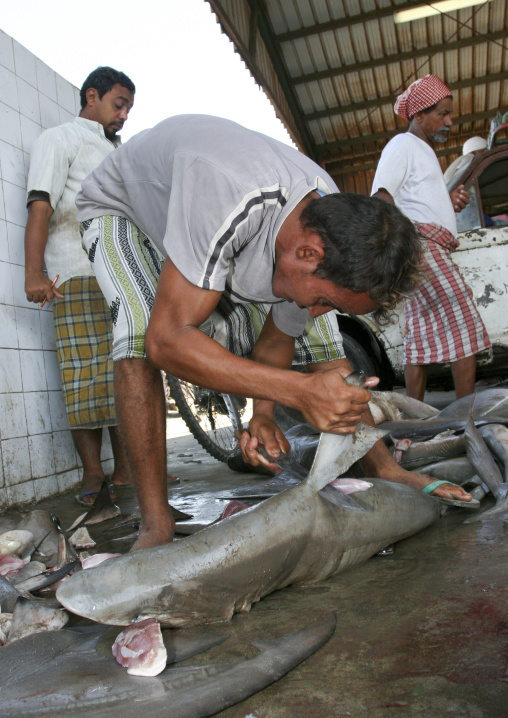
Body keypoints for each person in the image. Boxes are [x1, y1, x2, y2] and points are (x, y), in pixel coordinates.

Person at [75, 114, 474, 550]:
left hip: (215, 217)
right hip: (123, 209)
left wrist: (262, 414)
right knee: (138, 335)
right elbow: (166, 341)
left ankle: (382, 467)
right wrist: (300, 392)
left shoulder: (326, 221)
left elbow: (275, 342)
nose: (319, 310)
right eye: (326, 299)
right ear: (306, 252)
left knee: (324, 338)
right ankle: (155, 526)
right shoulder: (230, 199)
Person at [24, 66, 135, 506]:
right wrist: (34, 273)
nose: (123, 115)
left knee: (126, 371)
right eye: (118, 104)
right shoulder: (60, 139)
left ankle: (127, 469)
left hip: (122, 276)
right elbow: (41, 206)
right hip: (77, 271)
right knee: (83, 376)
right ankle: (94, 472)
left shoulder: (119, 153)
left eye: (128, 108)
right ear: (92, 96)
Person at [371, 74, 490, 403]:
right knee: (463, 319)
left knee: (418, 333)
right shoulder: (402, 145)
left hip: (421, 245)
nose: (450, 121)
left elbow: (417, 202)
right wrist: (395, 253)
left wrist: (448, 202)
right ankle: (464, 413)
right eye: (442, 113)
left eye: (450, 113)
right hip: (421, 246)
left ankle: (414, 412)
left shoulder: (422, 152)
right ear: (418, 115)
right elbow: (382, 198)